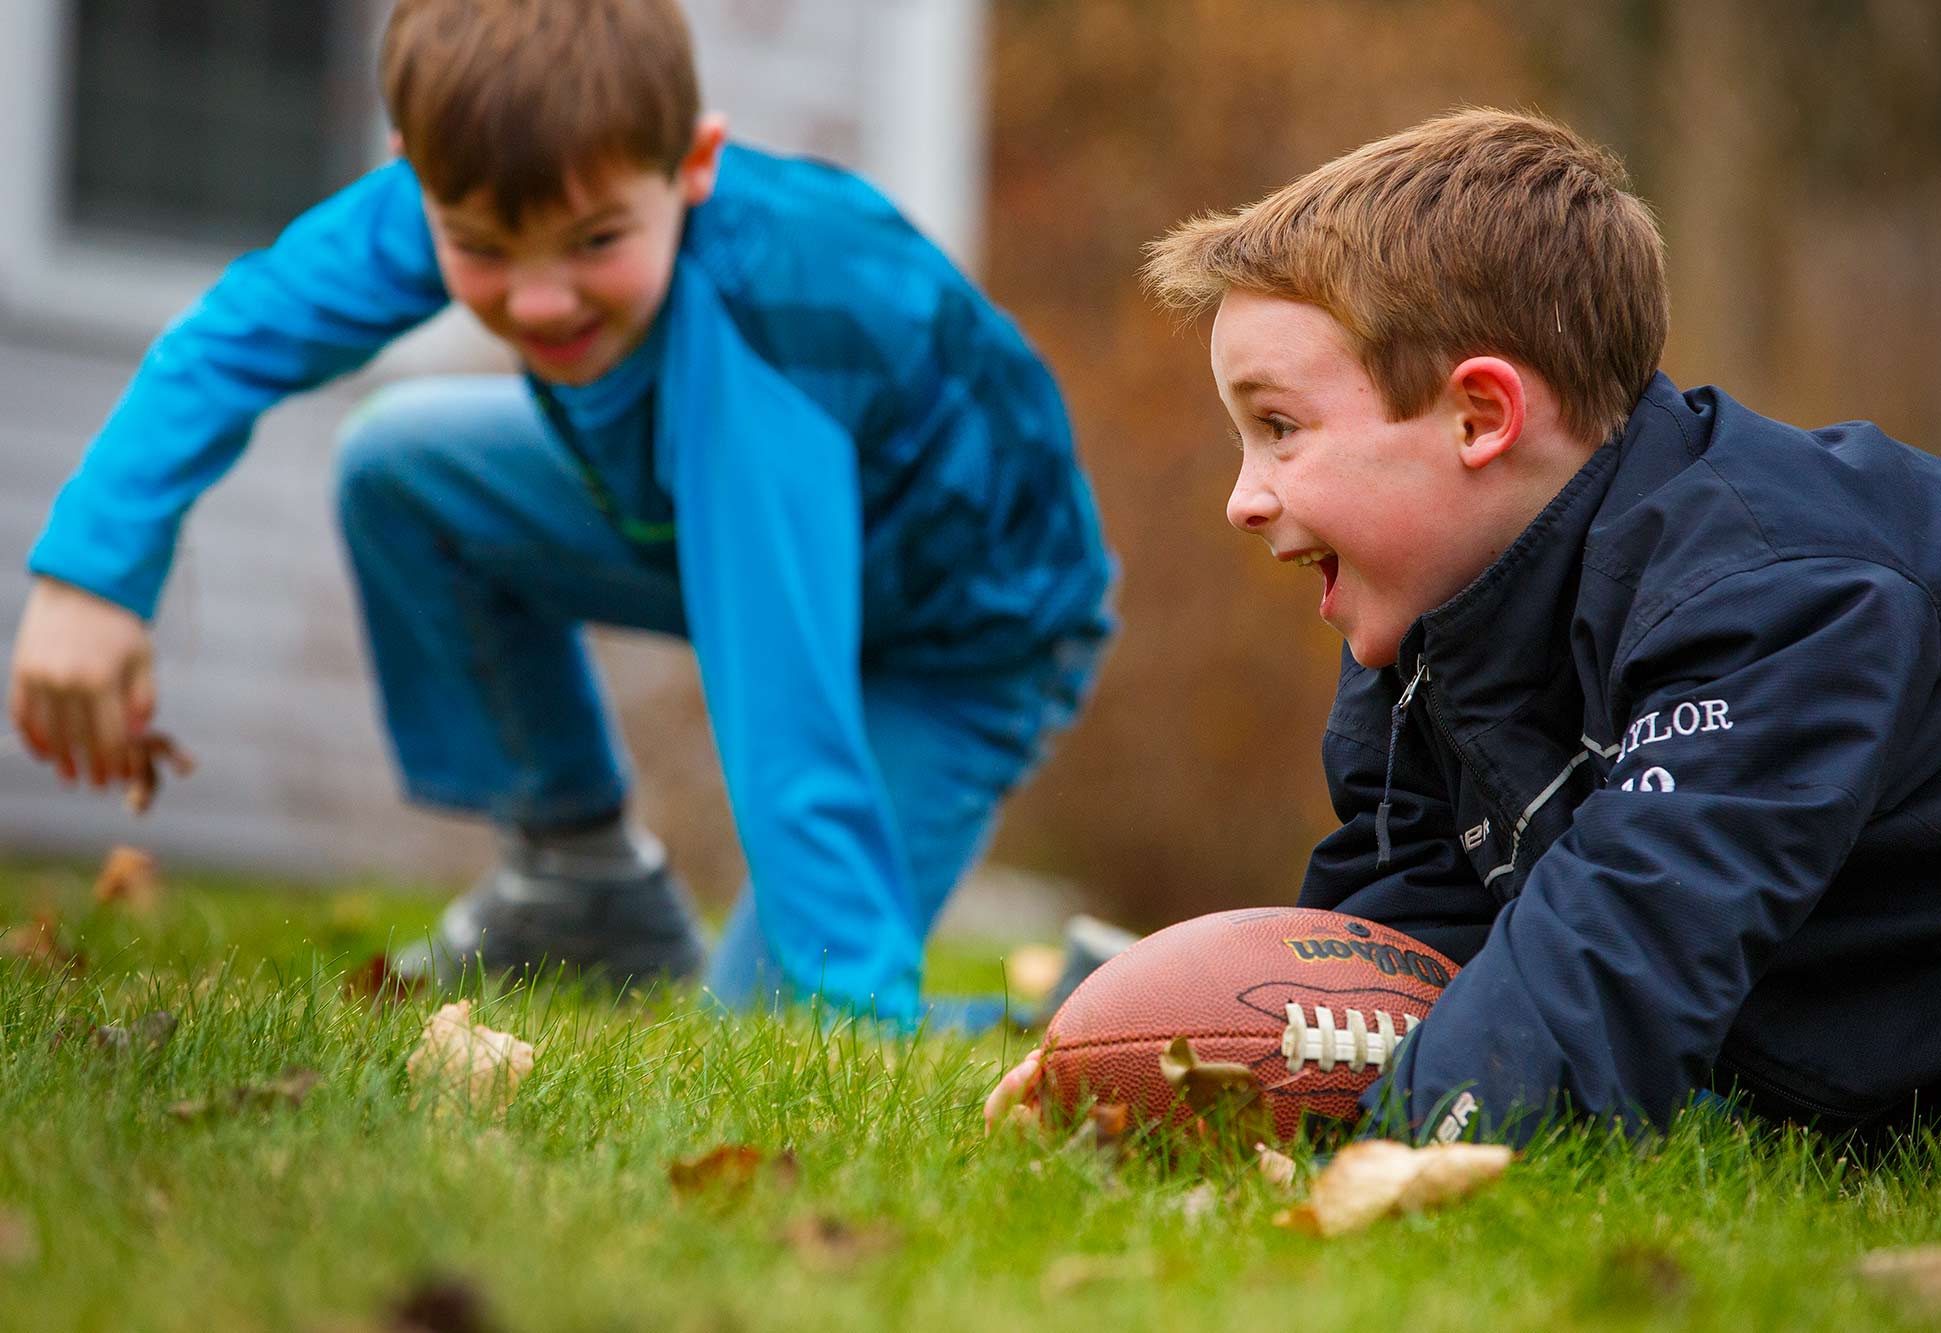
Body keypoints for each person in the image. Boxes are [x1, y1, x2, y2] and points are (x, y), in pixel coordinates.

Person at [7, 0, 1114, 1025]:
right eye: (482, 249)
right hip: (750, 525)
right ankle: (578, 882)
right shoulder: (495, 177)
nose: (537, 300)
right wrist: (93, 575)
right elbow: (236, 336)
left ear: (693, 165)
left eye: (594, 243)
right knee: (401, 467)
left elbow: (786, 711)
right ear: (418, 183)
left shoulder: (761, 346)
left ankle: (1107, 1009)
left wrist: (845, 1006)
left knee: (798, 1014)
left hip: (961, 637)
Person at [991, 108, 1941, 1144]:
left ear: (1478, 416)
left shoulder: (1775, 598)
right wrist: (1157, 1073)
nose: (1241, 500)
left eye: (1279, 430)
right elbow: (1393, 956)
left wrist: (1396, 1153)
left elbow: (1613, 956)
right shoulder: (1434, 631)